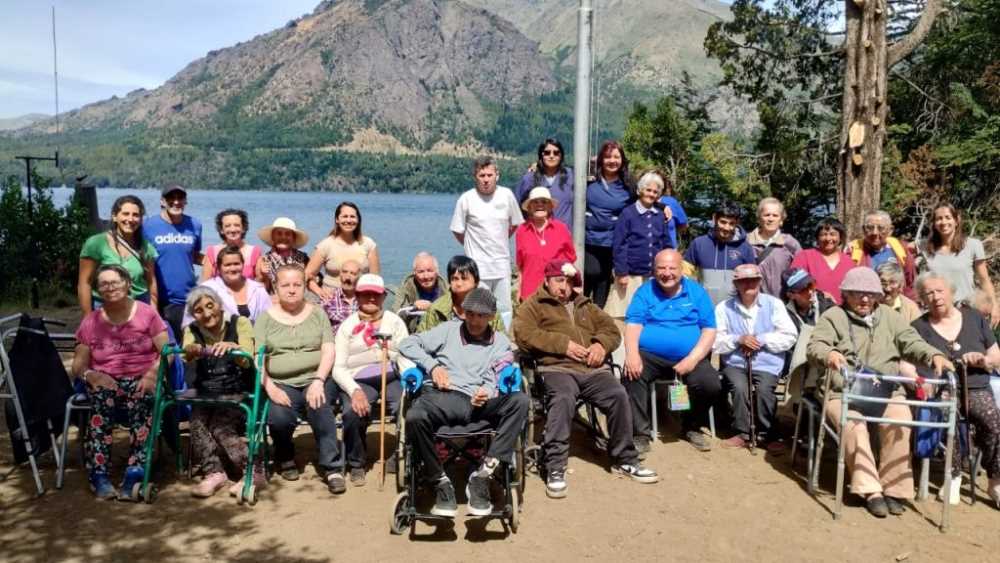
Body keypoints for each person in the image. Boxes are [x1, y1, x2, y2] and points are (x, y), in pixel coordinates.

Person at [807, 267, 953, 518]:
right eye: (857, 294)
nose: (864, 299)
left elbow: (911, 341)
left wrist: (934, 354)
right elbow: (815, 345)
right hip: (844, 390)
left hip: (885, 388)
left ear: (878, 295)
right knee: (854, 426)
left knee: (900, 421)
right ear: (846, 294)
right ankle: (870, 490)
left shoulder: (889, 316)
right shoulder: (834, 316)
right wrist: (829, 354)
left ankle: (894, 490)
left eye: (870, 294)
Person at [514, 259, 658, 498]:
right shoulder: (533, 305)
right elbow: (523, 334)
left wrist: (600, 345)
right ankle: (555, 466)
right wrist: (563, 345)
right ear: (547, 281)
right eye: (559, 281)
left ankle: (625, 458)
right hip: (557, 368)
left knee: (618, 394)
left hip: (592, 369)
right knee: (563, 398)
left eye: (569, 282)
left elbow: (612, 330)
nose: (564, 287)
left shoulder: (585, 305)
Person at [398, 288, 530, 518]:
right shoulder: (448, 331)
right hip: (446, 396)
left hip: (480, 404)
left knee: (520, 400)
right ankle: (439, 480)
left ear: (491, 316)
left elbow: (498, 374)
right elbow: (407, 345)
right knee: (415, 417)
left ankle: (484, 474)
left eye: (481, 316)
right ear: (463, 313)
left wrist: (487, 392)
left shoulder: (500, 342)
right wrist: (433, 367)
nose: (475, 321)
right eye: (470, 314)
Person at [71, 265, 170, 499]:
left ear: (127, 284)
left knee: (142, 398)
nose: (110, 287)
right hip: (106, 377)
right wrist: (91, 375)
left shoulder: (147, 313)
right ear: (97, 290)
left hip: (143, 375)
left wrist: (153, 373)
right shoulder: (91, 322)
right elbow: (78, 365)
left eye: (115, 282)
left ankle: (136, 472)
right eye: (103, 284)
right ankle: (99, 473)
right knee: (102, 401)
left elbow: (169, 353)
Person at [906, 272, 1000, 507]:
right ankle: (953, 475)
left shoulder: (975, 318)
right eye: (929, 293)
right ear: (922, 298)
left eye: (940, 291)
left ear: (951, 292)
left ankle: (995, 479)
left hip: (976, 385)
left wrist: (984, 361)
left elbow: (996, 354)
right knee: (949, 417)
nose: (935, 297)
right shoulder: (918, 327)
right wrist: (919, 380)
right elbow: (905, 363)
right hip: (941, 388)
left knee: (992, 423)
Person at [254, 264, 345, 494]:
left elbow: (329, 350)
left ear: (305, 286)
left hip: (316, 377)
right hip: (281, 382)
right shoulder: (265, 319)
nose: (292, 290)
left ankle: (331, 466)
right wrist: (271, 387)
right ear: (276, 287)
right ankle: (285, 457)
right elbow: (258, 358)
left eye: (297, 284)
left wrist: (318, 380)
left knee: (321, 406)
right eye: (286, 285)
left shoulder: (318, 313)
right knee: (279, 417)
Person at [623, 249, 722, 453]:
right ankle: (640, 433)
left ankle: (691, 427)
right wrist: (632, 354)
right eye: (661, 268)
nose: (666, 273)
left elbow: (709, 329)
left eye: (672, 268)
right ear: (654, 270)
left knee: (710, 384)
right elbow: (633, 325)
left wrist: (693, 359)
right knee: (632, 374)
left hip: (690, 356)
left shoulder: (696, 292)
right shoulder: (644, 291)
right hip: (651, 356)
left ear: (681, 269)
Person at [331, 274, 413, 486]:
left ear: (383, 296)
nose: (370, 299)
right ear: (357, 296)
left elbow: (405, 355)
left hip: (392, 375)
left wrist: (408, 378)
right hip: (359, 378)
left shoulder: (395, 322)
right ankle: (356, 462)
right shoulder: (347, 327)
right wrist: (354, 390)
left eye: (375, 295)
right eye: (365, 294)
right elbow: (338, 367)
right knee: (352, 412)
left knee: (408, 406)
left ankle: (402, 454)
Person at [180, 286, 262, 498]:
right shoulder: (192, 330)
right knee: (197, 422)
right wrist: (191, 350)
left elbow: (247, 359)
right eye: (199, 311)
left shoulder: (240, 323)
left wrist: (233, 347)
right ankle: (214, 472)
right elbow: (185, 352)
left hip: (237, 389)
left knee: (220, 426)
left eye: (210, 305)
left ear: (220, 305)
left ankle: (253, 470)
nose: (207, 314)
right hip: (207, 390)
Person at [713, 264, 797, 451]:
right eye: (743, 281)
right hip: (735, 362)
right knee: (739, 386)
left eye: (753, 280)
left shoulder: (774, 304)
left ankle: (767, 433)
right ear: (736, 284)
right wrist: (738, 340)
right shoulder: (723, 308)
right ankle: (742, 432)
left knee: (765, 388)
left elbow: (789, 336)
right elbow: (715, 340)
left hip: (767, 362)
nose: (748, 284)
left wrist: (761, 339)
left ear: (760, 281)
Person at [450, 156, 523, 325]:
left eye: (489, 175)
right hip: (477, 266)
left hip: (501, 264)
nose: (486, 180)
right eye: (481, 175)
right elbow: (457, 230)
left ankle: (502, 341)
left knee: (504, 308)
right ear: (475, 177)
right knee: (478, 308)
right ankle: (480, 342)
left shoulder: (507, 195)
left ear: (497, 175)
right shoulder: (466, 199)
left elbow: (515, 224)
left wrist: (501, 240)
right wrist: (471, 247)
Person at [78, 195, 158, 316]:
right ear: (115, 216)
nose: (130, 219)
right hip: (105, 307)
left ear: (141, 219)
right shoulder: (96, 244)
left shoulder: (146, 248)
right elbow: (84, 283)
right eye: (125, 214)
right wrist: (88, 318)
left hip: (139, 307)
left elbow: (151, 283)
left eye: (135, 215)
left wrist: (153, 315)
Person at [606, 171, 672, 319]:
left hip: (653, 274)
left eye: (655, 191)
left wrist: (668, 266)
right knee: (626, 314)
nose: (651, 194)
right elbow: (619, 244)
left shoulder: (660, 215)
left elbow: (666, 242)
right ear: (639, 190)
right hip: (631, 274)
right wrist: (621, 272)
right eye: (648, 190)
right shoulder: (628, 213)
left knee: (650, 312)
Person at [922, 204, 999, 325]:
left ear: (956, 220)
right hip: (938, 314)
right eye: (939, 218)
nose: (943, 222)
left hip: (967, 311)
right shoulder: (925, 247)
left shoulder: (973, 245)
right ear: (934, 223)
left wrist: (994, 305)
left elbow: (984, 279)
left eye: (948, 217)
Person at [144, 184, 203, 340]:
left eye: (180, 198)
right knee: (165, 348)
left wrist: (220, 261)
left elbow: (195, 256)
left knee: (190, 348)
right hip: (161, 299)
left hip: (189, 298)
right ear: (162, 201)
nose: (176, 202)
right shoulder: (148, 226)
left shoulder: (195, 225)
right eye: (171, 198)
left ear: (185, 201)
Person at [584, 140, 635, 308]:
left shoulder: (628, 186)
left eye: (616, 157)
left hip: (612, 243)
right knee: (589, 275)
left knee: (603, 283)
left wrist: (663, 207)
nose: (612, 161)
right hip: (588, 242)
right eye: (607, 157)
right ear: (600, 160)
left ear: (622, 160)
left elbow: (643, 202)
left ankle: (597, 320)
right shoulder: (589, 180)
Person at [683, 200, 756, 305]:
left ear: (737, 223)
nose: (727, 227)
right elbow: (685, 276)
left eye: (732, 223)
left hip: (734, 310)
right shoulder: (698, 244)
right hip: (703, 308)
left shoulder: (745, 248)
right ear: (714, 218)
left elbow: (751, 283)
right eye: (723, 222)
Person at [182, 246, 271, 327]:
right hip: (215, 342)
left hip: (254, 341)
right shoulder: (205, 290)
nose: (233, 268)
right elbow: (189, 323)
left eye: (236, 264)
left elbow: (269, 320)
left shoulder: (258, 289)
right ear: (219, 268)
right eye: (227, 265)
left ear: (243, 265)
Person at [306, 202, 380, 300]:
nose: (349, 220)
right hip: (331, 302)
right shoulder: (326, 245)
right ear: (337, 219)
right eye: (344, 216)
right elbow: (308, 275)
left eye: (352, 217)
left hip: (361, 300)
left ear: (358, 220)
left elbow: (375, 279)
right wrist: (319, 292)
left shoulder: (368, 244)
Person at [514, 187, 575, 301]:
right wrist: (519, 289)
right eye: (535, 202)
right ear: (529, 207)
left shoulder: (561, 228)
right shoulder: (521, 230)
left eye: (544, 202)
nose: (540, 205)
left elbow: (570, 262)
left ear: (550, 206)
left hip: (556, 292)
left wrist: (569, 287)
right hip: (530, 293)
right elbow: (521, 265)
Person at [417, 255, 504, 333]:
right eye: (455, 279)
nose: (459, 283)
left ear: (476, 281)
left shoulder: (488, 307)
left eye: (464, 278)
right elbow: (421, 338)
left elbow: (502, 341)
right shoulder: (437, 309)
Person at [846, 210, 917, 299]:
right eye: (870, 227)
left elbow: (911, 283)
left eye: (880, 228)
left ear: (890, 230)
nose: (875, 232)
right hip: (864, 304)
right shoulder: (853, 250)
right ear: (864, 230)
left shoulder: (900, 248)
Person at [790, 216, 854, 304]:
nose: (828, 239)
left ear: (840, 237)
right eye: (823, 234)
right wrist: (818, 295)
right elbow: (795, 284)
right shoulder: (804, 256)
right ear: (817, 237)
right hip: (812, 312)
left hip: (842, 314)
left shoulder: (849, 262)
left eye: (832, 234)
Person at [515, 138, 576, 231]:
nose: (551, 156)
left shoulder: (571, 176)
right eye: (547, 153)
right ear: (541, 155)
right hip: (537, 235)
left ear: (561, 155)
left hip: (564, 237)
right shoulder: (529, 178)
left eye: (556, 153)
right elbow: (518, 206)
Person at [747, 197, 802, 298]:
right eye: (767, 215)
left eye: (775, 215)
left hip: (782, 304)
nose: (770, 219)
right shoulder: (746, 242)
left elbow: (801, 274)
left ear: (781, 220)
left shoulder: (790, 243)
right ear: (759, 218)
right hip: (753, 303)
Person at [392, 252, 448, 333]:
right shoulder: (406, 287)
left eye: (430, 271)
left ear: (437, 271)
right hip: (413, 333)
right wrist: (413, 306)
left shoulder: (446, 289)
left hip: (440, 332)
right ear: (414, 273)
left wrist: (433, 307)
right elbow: (396, 313)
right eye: (421, 272)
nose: (426, 276)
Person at [201, 208, 261, 281]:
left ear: (244, 228)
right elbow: (205, 283)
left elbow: (260, 282)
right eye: (227, 226)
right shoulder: (212, 252)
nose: (232, 230)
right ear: (221, 230)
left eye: (237, 225)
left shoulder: (254, 252)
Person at [256, 217, 311, 295]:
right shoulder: (263, 260)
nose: (283, 237)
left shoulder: (303, 258)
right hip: (274, 303)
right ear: (272, 237)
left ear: (294, 238)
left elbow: (310, 282)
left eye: (288, 234)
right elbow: (260, 292)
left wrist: (319, 291)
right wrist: (264, 276)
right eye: (279, 233)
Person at [321, 259, 361, 336]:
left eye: (353, 273)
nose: (347, 277)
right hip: (336, 343)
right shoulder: (328, 300)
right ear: (340, 274)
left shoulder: (365, 301)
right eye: (344, 272)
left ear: (359, 277)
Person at [659, 174, 688, 249]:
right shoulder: (672, 202)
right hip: (669, 250)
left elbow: (683, 224)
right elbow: (683, 227)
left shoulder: (671, 202)